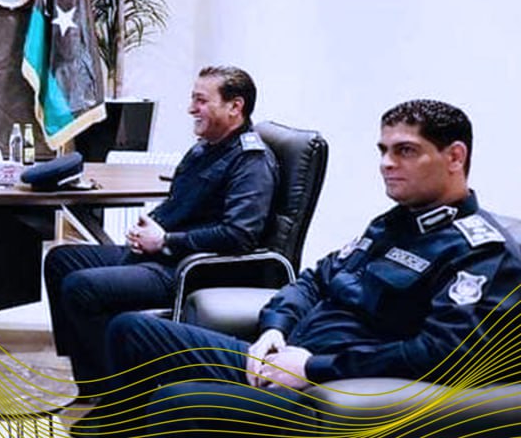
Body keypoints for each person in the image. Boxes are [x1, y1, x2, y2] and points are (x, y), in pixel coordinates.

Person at [92, 99, 521, 436]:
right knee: (131, 331)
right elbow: (315, 280)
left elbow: (442, 355)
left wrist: (314, 367)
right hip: (282, 358)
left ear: (455, 157)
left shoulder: (482, 253)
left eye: (405, 151)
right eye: (384, 150)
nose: (387, 163)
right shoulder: (393, 223)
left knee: (178, 401)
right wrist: (274, 329)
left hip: (326, 387)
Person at [44, 65, 278, 395]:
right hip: (163, 254)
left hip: (188, 268)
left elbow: (239, 234)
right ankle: (92, 379)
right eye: (192, 99)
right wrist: (149, 228)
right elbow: (180, 204)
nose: (191, 109)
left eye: (201, 101)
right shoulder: (205, 148)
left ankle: (114, 395)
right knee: (61, 260)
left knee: (82, 287)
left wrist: (165, 240)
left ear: (235, 106)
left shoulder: (251, 161)